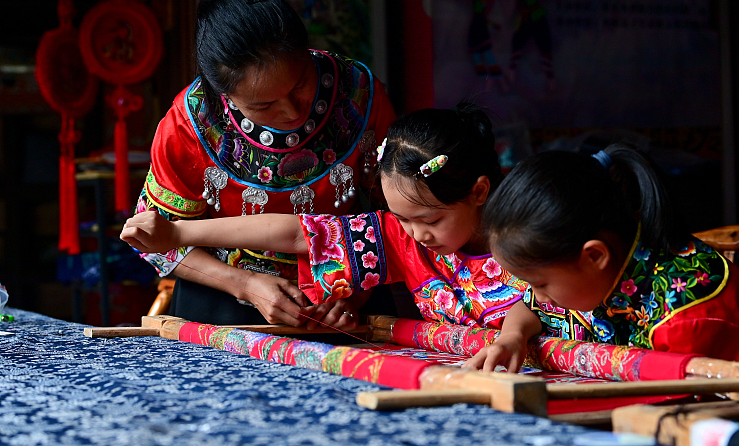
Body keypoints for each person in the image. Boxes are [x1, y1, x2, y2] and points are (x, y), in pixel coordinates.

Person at [122, 104, 530, 331]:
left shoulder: (533, 242)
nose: (417, 234)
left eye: (428, 219)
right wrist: (177, 231)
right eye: (403, 219)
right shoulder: (399, 238)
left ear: (478, 192)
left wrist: (514, 334)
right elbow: (297, 234)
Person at [135, 0, 396, 327]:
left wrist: (357, 286)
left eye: (300, 83)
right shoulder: (189, 124)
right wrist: (245, 284)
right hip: (223, 302)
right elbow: (156, 240)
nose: (290, 111)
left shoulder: (359, 95)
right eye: (263, 105)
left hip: (346, 297)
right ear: (224, 94)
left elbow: (402, 215)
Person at [465, 144, 739, 373]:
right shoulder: (606, 259)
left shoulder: (685, 318)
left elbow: (689, 412)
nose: (538, 295)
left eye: (540, 284)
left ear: (594, 255)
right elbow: (534, 307)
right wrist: (511, 337)